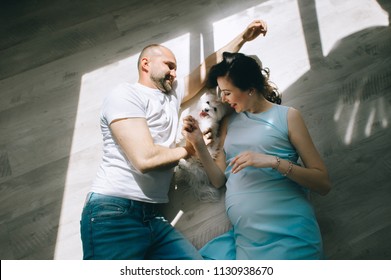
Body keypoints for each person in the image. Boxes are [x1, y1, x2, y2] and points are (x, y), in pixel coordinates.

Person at [80, 20, 268, 260]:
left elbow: (207, 67)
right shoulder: (125, 94)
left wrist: (242, 37)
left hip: (153, 217)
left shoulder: (172, 95)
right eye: (169, 65)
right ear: (146, 64)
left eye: (176, 68)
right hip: (114, 211)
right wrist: (190, 149)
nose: (175, 72)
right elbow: (145, 159)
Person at [182, 52, 331, 260]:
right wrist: (197, 143)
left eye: (227, 92)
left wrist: (272, 162)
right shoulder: (229, 123)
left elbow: (322, 183)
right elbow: (218, 180)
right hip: (248, 238)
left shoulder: (287, 116)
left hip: (289, 231)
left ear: (250, 89)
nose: (223, 99)